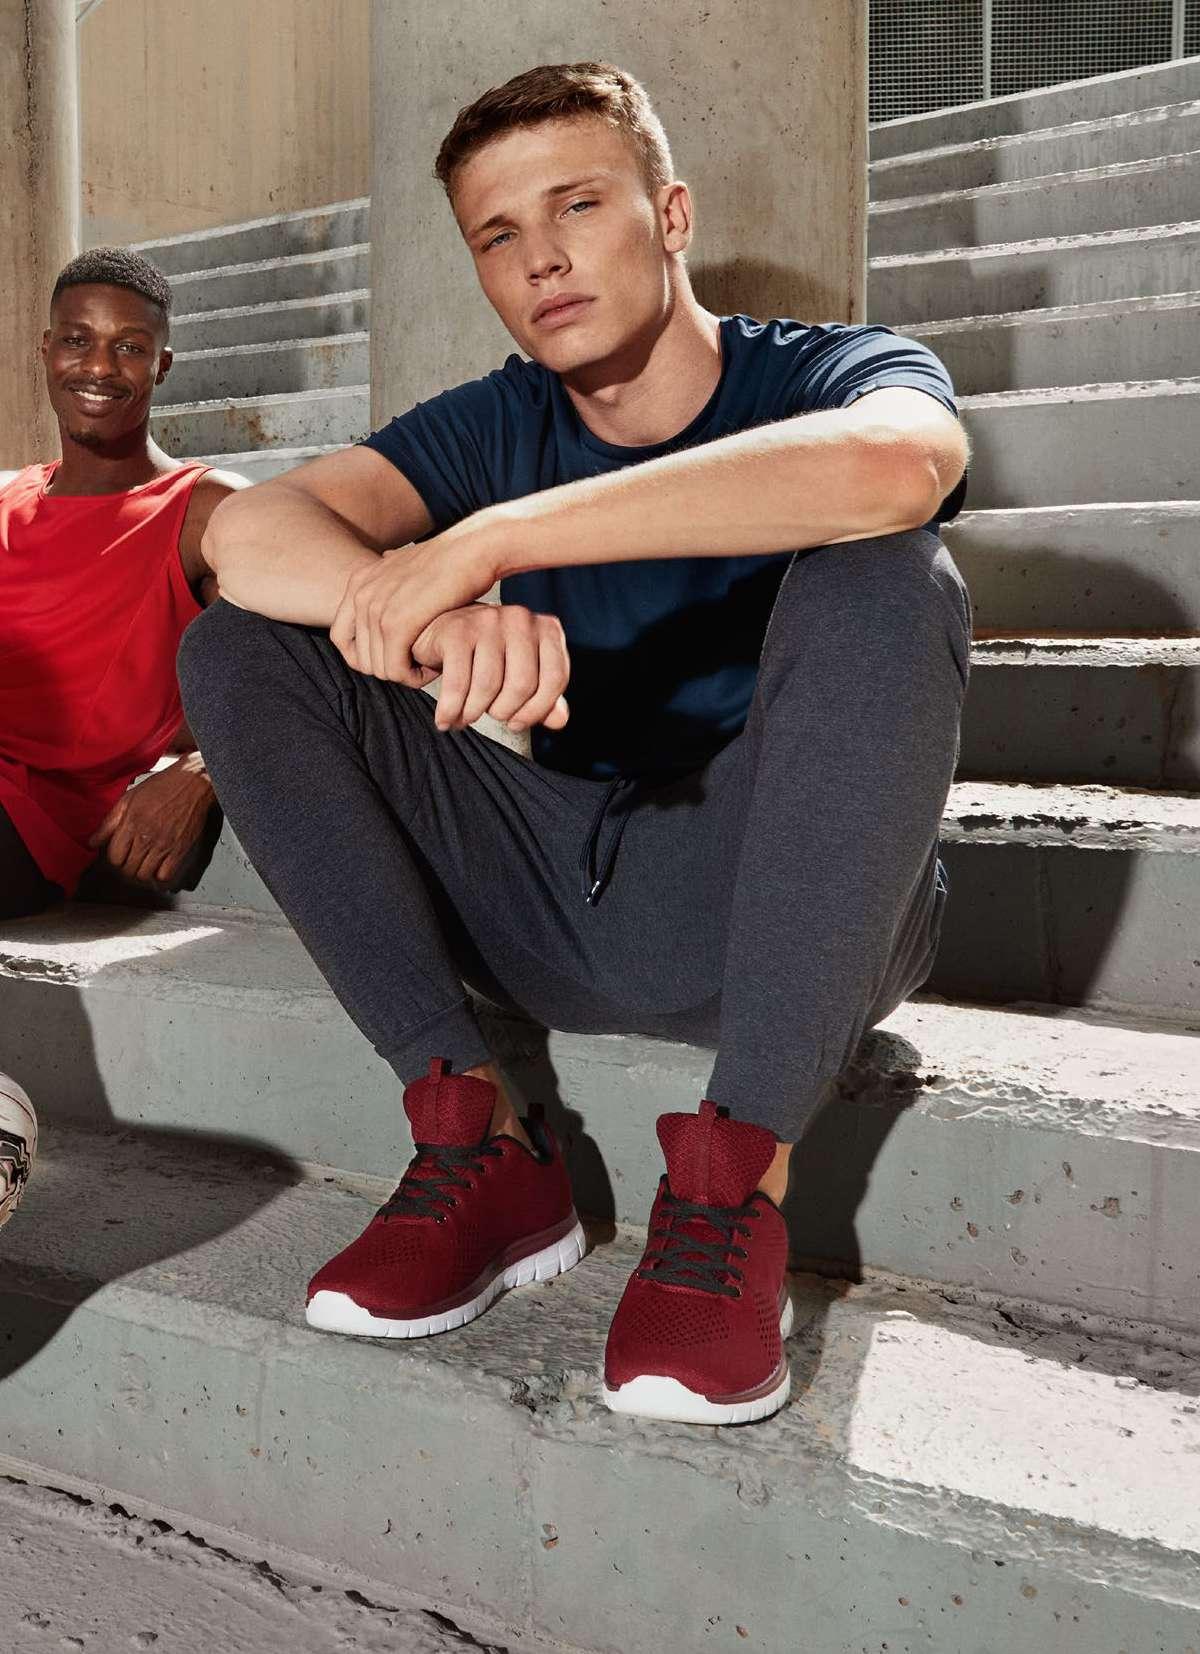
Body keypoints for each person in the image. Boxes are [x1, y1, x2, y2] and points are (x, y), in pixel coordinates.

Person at [179, 62, 972, 1426]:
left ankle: (734, 1189)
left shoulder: (828, 371)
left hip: (788, 912)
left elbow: (899, 468)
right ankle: (482, 1143)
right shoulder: (502, 415)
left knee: (889, 575)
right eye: (497, 233)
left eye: (578, 204)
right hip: (551, 892)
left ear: (672, 215)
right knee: (239, 644)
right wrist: (433, 620)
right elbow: (244, 533)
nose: (540, 256)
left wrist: (491, 540)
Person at [0, 247, 244, 922]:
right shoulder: (9, 498)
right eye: (77, 340)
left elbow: (308, 674)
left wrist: (204, 772)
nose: (100, 367)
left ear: (162, 364)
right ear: (47, 351)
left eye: (129, 347)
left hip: (44, 824)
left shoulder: (204, 509)